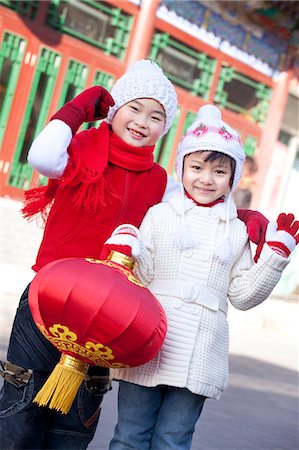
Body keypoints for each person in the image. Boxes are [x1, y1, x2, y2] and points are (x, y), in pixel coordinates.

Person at [0, 59, 267, 448]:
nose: (143, 121)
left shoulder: (160, 181)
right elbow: (42, 158)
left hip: (109, 311)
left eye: (156, 116)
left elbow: (200, 203)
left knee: (76, 418)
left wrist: (243, 215)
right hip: (50, 297)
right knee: (23, 401)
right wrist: (76, 110)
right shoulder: (79, 149)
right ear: (114, 109)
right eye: (135, 108)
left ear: (165, 128)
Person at [102, 105, 299, 450]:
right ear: (182, 168)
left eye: (219, 171)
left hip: (200, 350)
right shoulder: (159, 215)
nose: (206, 179)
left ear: (233, 177)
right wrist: (129, 248)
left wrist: (274, 259)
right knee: (129, 436)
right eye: (196, 168)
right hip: (149, 340)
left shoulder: (237, 231)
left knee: (173, 440)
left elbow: (242, 296)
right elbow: (142, 275)